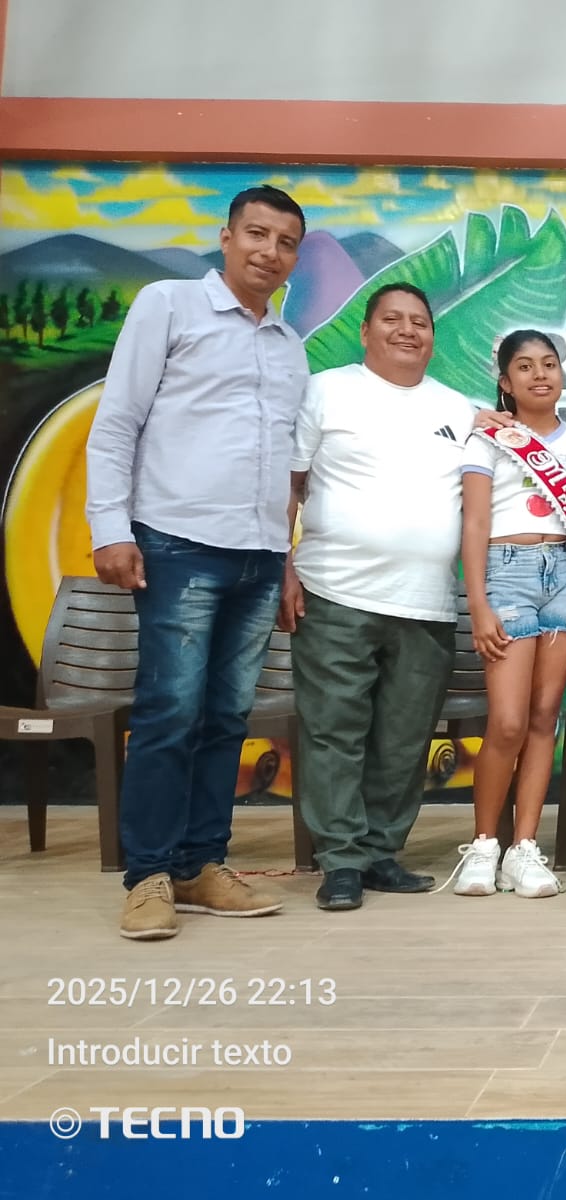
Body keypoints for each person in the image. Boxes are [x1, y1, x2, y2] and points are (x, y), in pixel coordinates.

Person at [85, 184, 307, 941]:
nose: (269, 251)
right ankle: (147, 874)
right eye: (257, 234)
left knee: (225, 718)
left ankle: (201, 864)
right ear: (226, 236)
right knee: (169, 713)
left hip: (259, 557)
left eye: (284, 243)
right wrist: (110, 528)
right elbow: (117, 422)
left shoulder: (289, 345)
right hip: (177, 542)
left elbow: (284, 464)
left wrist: (286, 557)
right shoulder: (169, 305)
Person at [281, 283, 474, 911]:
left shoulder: (458, 409)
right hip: (334, 593)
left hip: (425, 603)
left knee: (403, 738)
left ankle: (380, 853)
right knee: (334, 732)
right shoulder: (325, 390)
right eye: (392, 319)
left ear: (433, 338)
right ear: (366, 332)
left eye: (420, 321)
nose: (407, 330)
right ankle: (340, 862)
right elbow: (288, 485)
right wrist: (283, 566)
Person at [452, 330, 566, 899]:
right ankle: (483, 846)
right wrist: (478, 604)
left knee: (546, 717)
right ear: (505, 381)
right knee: (508, 722)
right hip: (507, 573)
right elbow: (474, 523)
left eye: (549, 364)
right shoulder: (488, 440)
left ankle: (523, 849)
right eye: (524, 366)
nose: (540, 374)